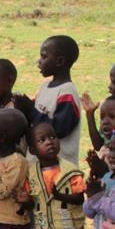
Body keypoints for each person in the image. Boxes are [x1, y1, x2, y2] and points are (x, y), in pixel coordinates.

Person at [32, 34, 83, 170]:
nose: (39, 61)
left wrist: (30, 110)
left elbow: (59, 128)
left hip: (60, 168)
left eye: (44, 57)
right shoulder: (44, 87)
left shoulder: (67, 92)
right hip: (40, 166)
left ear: (59, 61)